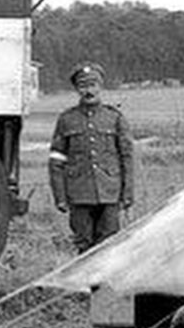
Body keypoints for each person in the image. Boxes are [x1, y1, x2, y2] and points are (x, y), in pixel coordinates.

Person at [48, 61, 134, 253]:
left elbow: (126, 157)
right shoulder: (67, 119)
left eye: (92, 85)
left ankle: (106, 283)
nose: (89, 91)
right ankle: (84, 283)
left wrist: (127, 193)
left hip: (110, 192)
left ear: (100, 86)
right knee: (83, 244)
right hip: (79, 193)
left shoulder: (115, 118)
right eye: (83, 86)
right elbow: (56, 162)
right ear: (77, 89)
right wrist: (60, 197)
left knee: (110, 245)